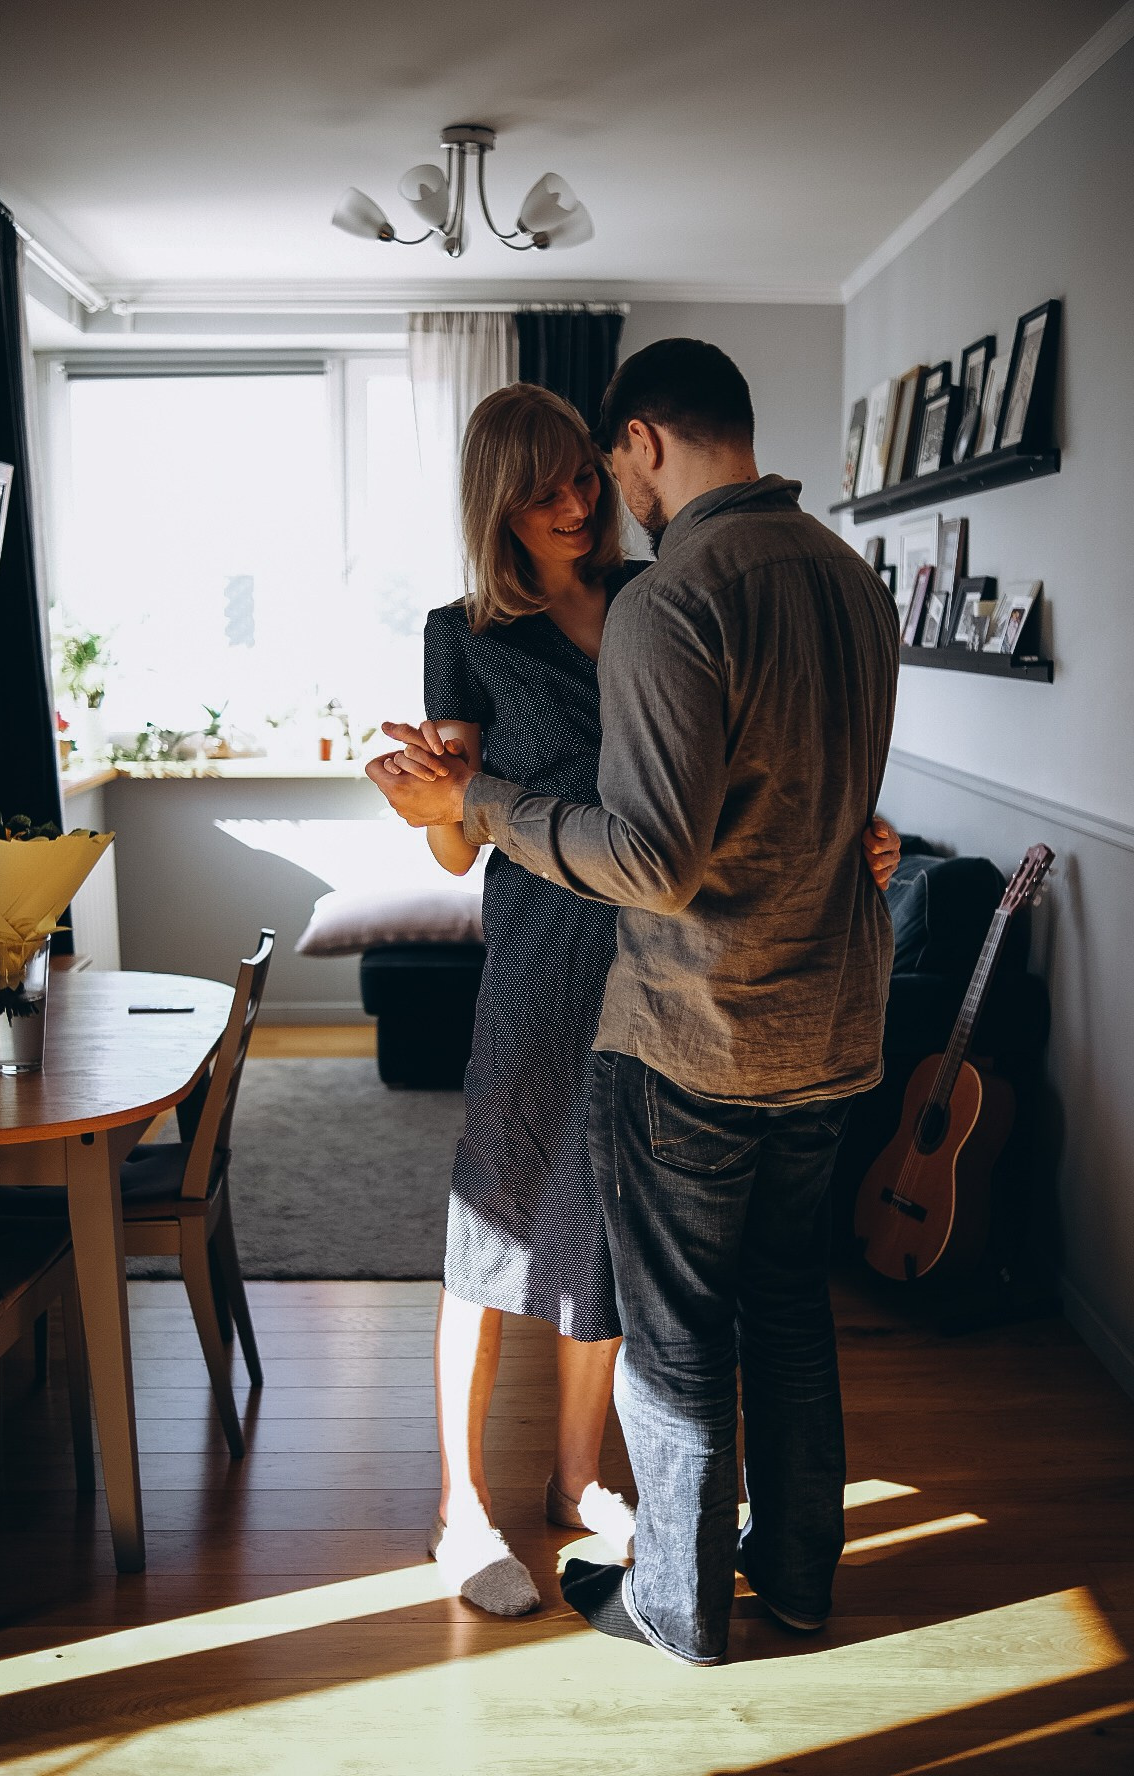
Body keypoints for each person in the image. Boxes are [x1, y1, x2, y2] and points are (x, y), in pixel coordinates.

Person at [367, 340, 901, 1665]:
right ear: (500, 498)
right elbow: (450, 845)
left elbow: (750, 770)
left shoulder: (672, 591)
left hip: (675, 974)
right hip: (552, 958)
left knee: (614, 1245)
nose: (582, 502)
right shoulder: (468, 638)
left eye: (587, 476)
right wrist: (447, 794)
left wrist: (851, 828)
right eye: (549, 486)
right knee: (495, 1229)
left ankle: (576, 1487)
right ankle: (462, 1510)